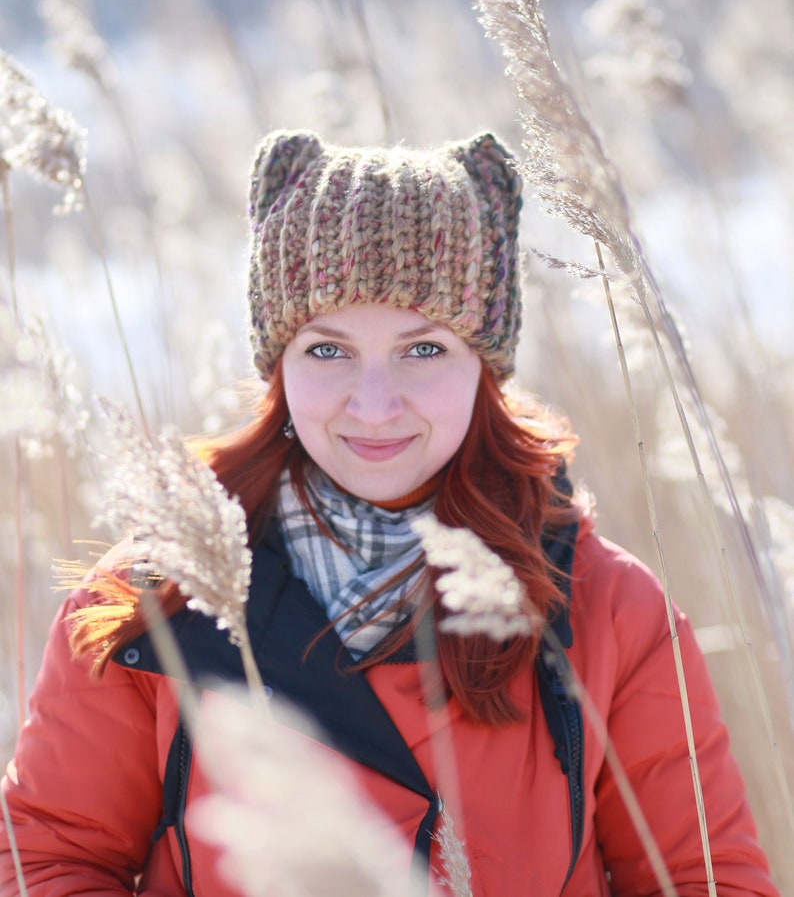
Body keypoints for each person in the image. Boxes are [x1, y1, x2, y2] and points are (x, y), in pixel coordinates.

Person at [0, 130, 781, 897]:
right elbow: (47, 864)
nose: (374, 406)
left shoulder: (610, 610)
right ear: (278, 365)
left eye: (425, 349)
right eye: (328, 350)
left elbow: (704, 880)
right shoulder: (154, 600)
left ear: (487, 365)